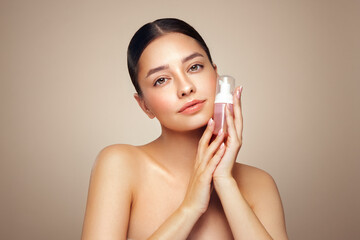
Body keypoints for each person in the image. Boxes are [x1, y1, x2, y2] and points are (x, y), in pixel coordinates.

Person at [81, 18, 288, 239]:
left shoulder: (259, 184)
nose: (186, 87)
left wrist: (225, 182)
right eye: (161, 80)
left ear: (217, 76)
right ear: (144, 105)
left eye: (195, 67)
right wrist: (189, 208)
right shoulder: (120, 165)